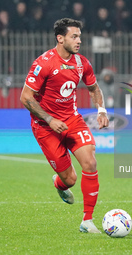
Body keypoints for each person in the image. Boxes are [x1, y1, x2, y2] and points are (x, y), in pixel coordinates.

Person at [20, 18, 109, 233]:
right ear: (60, 38)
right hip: (45, 126)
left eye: (79, 36)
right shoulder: (44, 63)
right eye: (74, 36)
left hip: (72, 119)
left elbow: (94, 88)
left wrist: (101, 110)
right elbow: (25, 97)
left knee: (90, 162)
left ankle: (87, 221)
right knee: (70, 179)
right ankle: (60, 184)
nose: (79, 41)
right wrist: (50, 119)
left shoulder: (82, 63)